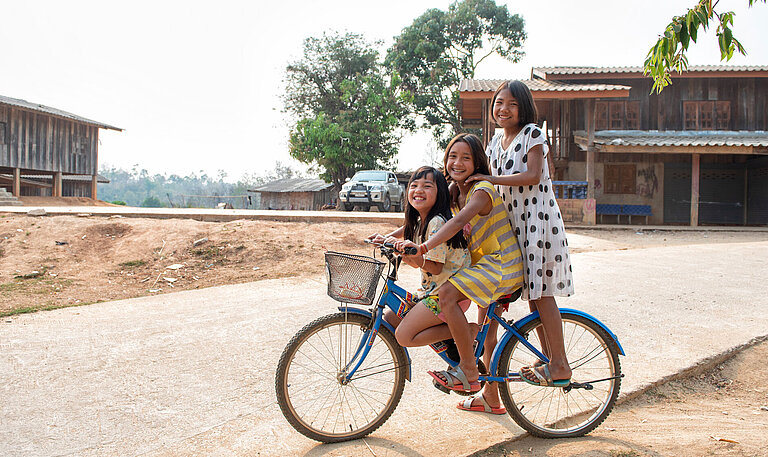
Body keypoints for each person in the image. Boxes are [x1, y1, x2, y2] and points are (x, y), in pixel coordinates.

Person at [395, 133, 524, 396]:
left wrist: (424, 247)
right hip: (481, 266)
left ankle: (468, 370)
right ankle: (478, 366)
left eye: (466, 158)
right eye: (453, 156)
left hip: (501, 265)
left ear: (478, 163)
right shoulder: (455, 190)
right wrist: (391, 237)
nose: (458, 162)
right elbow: (426, 218)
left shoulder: (482, 191)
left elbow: (454, 223)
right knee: (480, 330)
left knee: (446, 295)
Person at [467, 79, 573, 393]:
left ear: (523, 108)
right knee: (528, 299)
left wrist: (489, 176)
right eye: (499, 102)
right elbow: (483, 186)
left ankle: (560, 362)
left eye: (512, 104)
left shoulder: (532, 134)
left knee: (540, 295)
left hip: (537, 222)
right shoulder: (493, 143)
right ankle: (545, 362)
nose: (504, 109)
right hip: (509, 227)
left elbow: (532, 175)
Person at [369, 166, 471, 348]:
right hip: (431, 291)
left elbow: (435, 267)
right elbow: (406, 231)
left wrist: (414, 258)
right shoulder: (420, 220)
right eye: (414, 185)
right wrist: (385, 239)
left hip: (447, 296)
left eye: (427, 186)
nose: (418, 190)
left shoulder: (437, 222)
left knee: (405, 336)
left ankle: (465, 330)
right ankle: (451, 348)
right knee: (392, 316)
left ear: (440, 193)